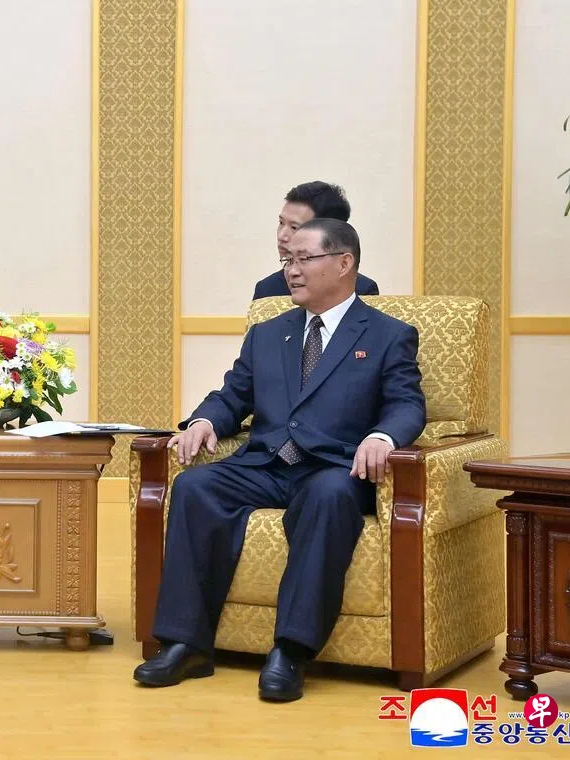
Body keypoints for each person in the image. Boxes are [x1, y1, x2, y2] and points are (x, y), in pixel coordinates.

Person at [133, 218, 425, 701]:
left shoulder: (388, 334)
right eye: (288, 260)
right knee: (195, 486)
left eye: (304, 259)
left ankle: (290, 650)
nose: (292, 270)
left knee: (327, 496)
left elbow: (407, 403)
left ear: (344, 263)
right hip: (266, 466)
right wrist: (204, 421)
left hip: (334, 469)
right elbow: (233, 395)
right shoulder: (268, 334)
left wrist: (383, 436)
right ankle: (186, 643)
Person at [252, 181, 379, 299]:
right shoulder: (266, 290)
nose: (282, 236)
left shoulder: (362, 290)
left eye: (295, 227)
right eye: (281, 223)